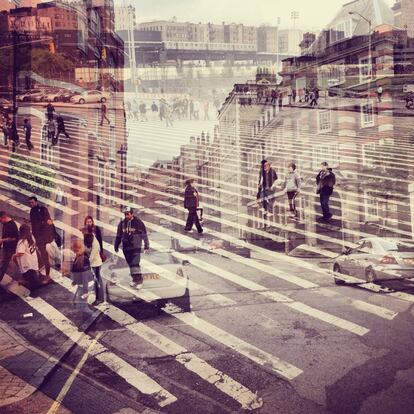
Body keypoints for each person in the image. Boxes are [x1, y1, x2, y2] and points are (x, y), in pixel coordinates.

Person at [114, 207, 149, 288]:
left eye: (128, 214)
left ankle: (139, 281)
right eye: (125, 214)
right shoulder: (122, 223)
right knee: (130, 264)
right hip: (126, 247)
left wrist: (146, 245)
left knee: (135, 264)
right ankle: (134, 279)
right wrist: (116, 245)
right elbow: (119, 235)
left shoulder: (138, 222)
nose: (126, 216)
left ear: (132, 214)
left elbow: (144, 234)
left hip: (136, 247)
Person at [29, 196, 54, 282]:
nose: (31, 204)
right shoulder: (32, 211)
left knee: (45, 256)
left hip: (43, 238)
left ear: (36, 202)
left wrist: (47, 238)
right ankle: (42, 268)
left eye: (32, 202)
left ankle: (47, 275)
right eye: (30, 203)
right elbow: (34, 224)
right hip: (37, 237)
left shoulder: (43, 209)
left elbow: (49, 223)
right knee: (40, 255)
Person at [12, 224, 45, 291]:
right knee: (33, 276)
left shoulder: (22, 242)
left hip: (26, 262)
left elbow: (21, 253)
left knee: (30, 277)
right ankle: (35, 286)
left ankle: (34, 290)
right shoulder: (31, 237)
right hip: (33, 260)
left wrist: (14, 255)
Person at [70, 239, 94, 313]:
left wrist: (85, 291)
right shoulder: (79, 257)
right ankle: (76, 303)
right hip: (82, 284)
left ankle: (87, 312)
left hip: (85, 285)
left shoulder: (83, 260)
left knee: (82, 302)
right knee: (79, 293)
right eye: (74, 251)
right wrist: (75, 281)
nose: (74, 253)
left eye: (76, 251)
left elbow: (85, 276)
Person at [83, 232, 104, 304]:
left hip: (96, 264)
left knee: (98, 281)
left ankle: (100, 298)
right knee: (96, 281)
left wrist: (86, 263)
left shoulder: (95, 243)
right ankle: (98, 297)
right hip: (92, 264)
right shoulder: (86, 239)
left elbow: (92, 256)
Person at [0, 211, 18, 283]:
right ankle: (28, 276)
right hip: (6, 247)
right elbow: (5, 235)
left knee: (3, 265)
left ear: (3, 217)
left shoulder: (12, 225)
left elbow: (14, 238)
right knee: (19, 262)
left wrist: (2, 240)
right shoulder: (5, 223)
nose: (0, 222)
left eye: (0, 220)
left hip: (10, 248)